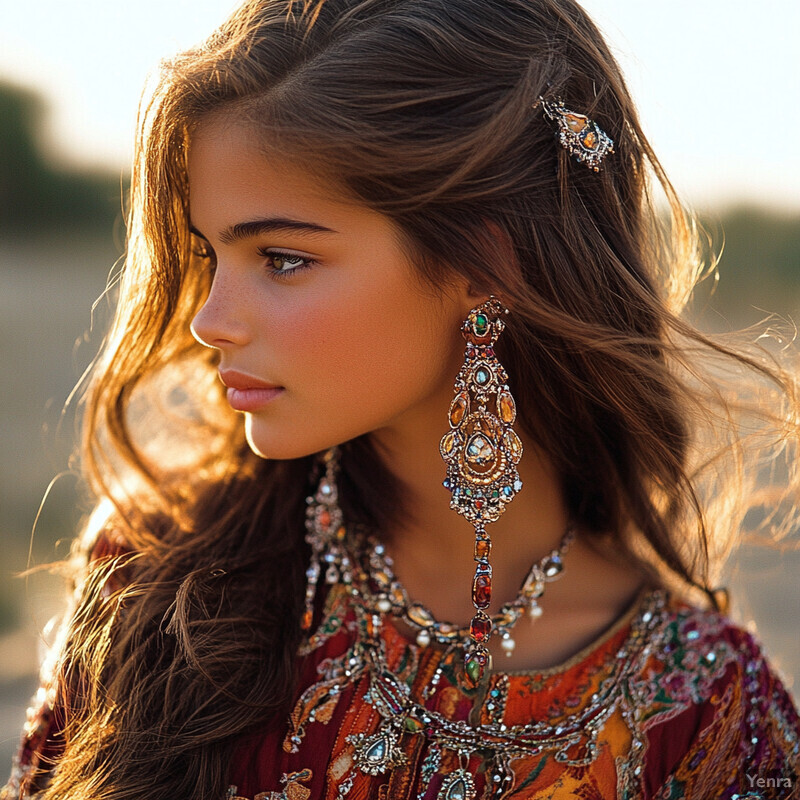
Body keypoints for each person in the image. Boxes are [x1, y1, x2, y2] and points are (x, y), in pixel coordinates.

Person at [3, 0, 800, 797]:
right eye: (210, 254)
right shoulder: (156, 579)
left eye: (281, 258)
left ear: (487, 267)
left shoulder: (715, 718)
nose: (210, 322)